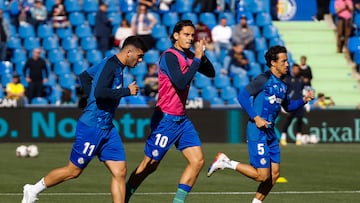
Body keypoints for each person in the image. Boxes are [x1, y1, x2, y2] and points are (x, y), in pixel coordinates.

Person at [21, 36, 148, 203]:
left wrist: (90, 99)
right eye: (139, 56)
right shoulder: (111, 65)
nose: (140, 60)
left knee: (120, 172)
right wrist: (126, 91)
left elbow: (84, 77)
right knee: (73, 171)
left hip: (107, 128)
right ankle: (33, 189)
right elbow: (100, 92)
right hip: (92, 127)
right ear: (129, 51)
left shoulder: (114, 64)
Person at [207, 45, 314, 203]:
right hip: (257, 131)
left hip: (270, 133)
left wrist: (304, 100)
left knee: (274, 174)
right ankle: (226, 162)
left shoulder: (284, 85)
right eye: (283, 61)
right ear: (273, 63)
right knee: (262, 175)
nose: (287, 64)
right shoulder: (263, 79)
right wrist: (256, 117)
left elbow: (288, 107)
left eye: (287, 61)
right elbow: (242, 96)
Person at [125, 20, 215, 203]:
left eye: (192, 35)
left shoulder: (190, 55)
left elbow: (211, 73)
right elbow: (180, 82)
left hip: (181, 119)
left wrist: (201, 57)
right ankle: (123, 197)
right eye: (186, 34)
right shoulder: (169, 56)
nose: (190, 38)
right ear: (176, 35)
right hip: (165, 119)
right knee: (150, 165)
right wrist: (197, 59)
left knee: (197, 161)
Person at [280, 64, 306, 146]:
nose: (295, 70)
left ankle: (298, 139)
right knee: (288, 120)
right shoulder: (288, 79)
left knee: (299, 121)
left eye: (297, 69)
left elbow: (303, 91)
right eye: (294, 69)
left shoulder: (301, 81)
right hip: (291, 103)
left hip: (300, 103)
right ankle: (283, 138)